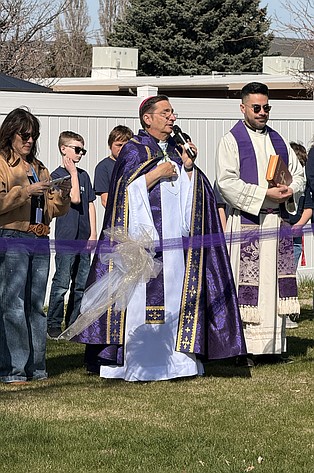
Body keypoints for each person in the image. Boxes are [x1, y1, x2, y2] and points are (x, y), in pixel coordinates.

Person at [67, 94, 247, 381]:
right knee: (139, 300)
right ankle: (136, 364)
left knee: (177, 298)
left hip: (176, 245)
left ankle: (178, 362)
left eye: (173, 112)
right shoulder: (134, 151)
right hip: (144, 244)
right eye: (165, 112)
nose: (172, 117)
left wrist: (188, 167)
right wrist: (155, 175)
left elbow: (196, 198)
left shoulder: (178, 150)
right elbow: (121, 196)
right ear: (147, 118)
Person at [216, 82, 305, 363]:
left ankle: (272, 348)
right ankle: (243, 350)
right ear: (243, 107)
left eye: (267, 107)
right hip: (246, 223)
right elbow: (226, 182)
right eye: (257, 107)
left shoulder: (279, 140)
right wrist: (263, 194)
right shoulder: (232, 140)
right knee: (246, 285)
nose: (262, 112)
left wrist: (291, 190)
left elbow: (298, 175)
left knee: (273, 286)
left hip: (275, 223)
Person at [0, 107, 71, 384]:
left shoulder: (39, 167)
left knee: (34, 306)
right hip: (12, 237)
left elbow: (54, 210)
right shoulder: (3, 164)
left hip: (40, 238)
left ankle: (36, 368)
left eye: (34, 135)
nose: (29, 140)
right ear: (10, 134)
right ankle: (13, 370)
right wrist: (25, 191)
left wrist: (62, 196)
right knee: (12, 304)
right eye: (24, 134)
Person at [46, 131, 96, 339]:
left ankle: (74, 322)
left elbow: (89, 203)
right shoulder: (58, 176)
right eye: (77, 149)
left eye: (83, 150)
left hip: (83, 237)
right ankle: (53, 324)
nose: (80, 154)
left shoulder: (84, 175)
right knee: (62, 283)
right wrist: (72, 173)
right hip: (66, 238)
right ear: (63, 149)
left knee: (81, 283)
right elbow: (74, 199)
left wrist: (93, 232)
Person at [94, 125, 133, 208]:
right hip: (118, 215)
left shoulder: (137, 164)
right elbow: (105, 200)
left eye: (126, 145)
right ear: (110, 146)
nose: (122, 149)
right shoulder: (103, 167)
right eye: (119, 145)